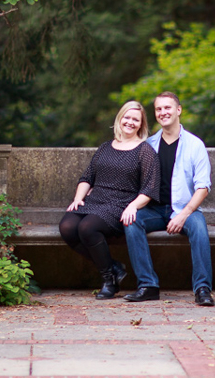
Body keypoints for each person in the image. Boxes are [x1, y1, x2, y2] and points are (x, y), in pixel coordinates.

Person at [59, 100, 160, 300]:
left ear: (141, 125)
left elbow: (150, 188)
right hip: (95, 200)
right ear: (120, 118)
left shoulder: (145, 151)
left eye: (136, 120)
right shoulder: (106, 147)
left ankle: (108, 281)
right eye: (127, 117)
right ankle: (113, 267)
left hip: (120, 204)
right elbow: (87, 177)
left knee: (87, 228)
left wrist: (133, 206)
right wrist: (78, 198)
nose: (130, 122)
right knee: (67, 227)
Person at [123, 91, 214, 306]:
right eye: (158, 109)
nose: (163, 112)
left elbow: (203, 187)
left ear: (178, 110)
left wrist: (184, 215)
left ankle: (202, 289)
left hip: (184, 209)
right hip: (154, 210)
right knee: (131, 221)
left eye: (168, 108)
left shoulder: (195, 145)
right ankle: (148, 285)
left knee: (200, 229)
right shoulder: (148, 145)